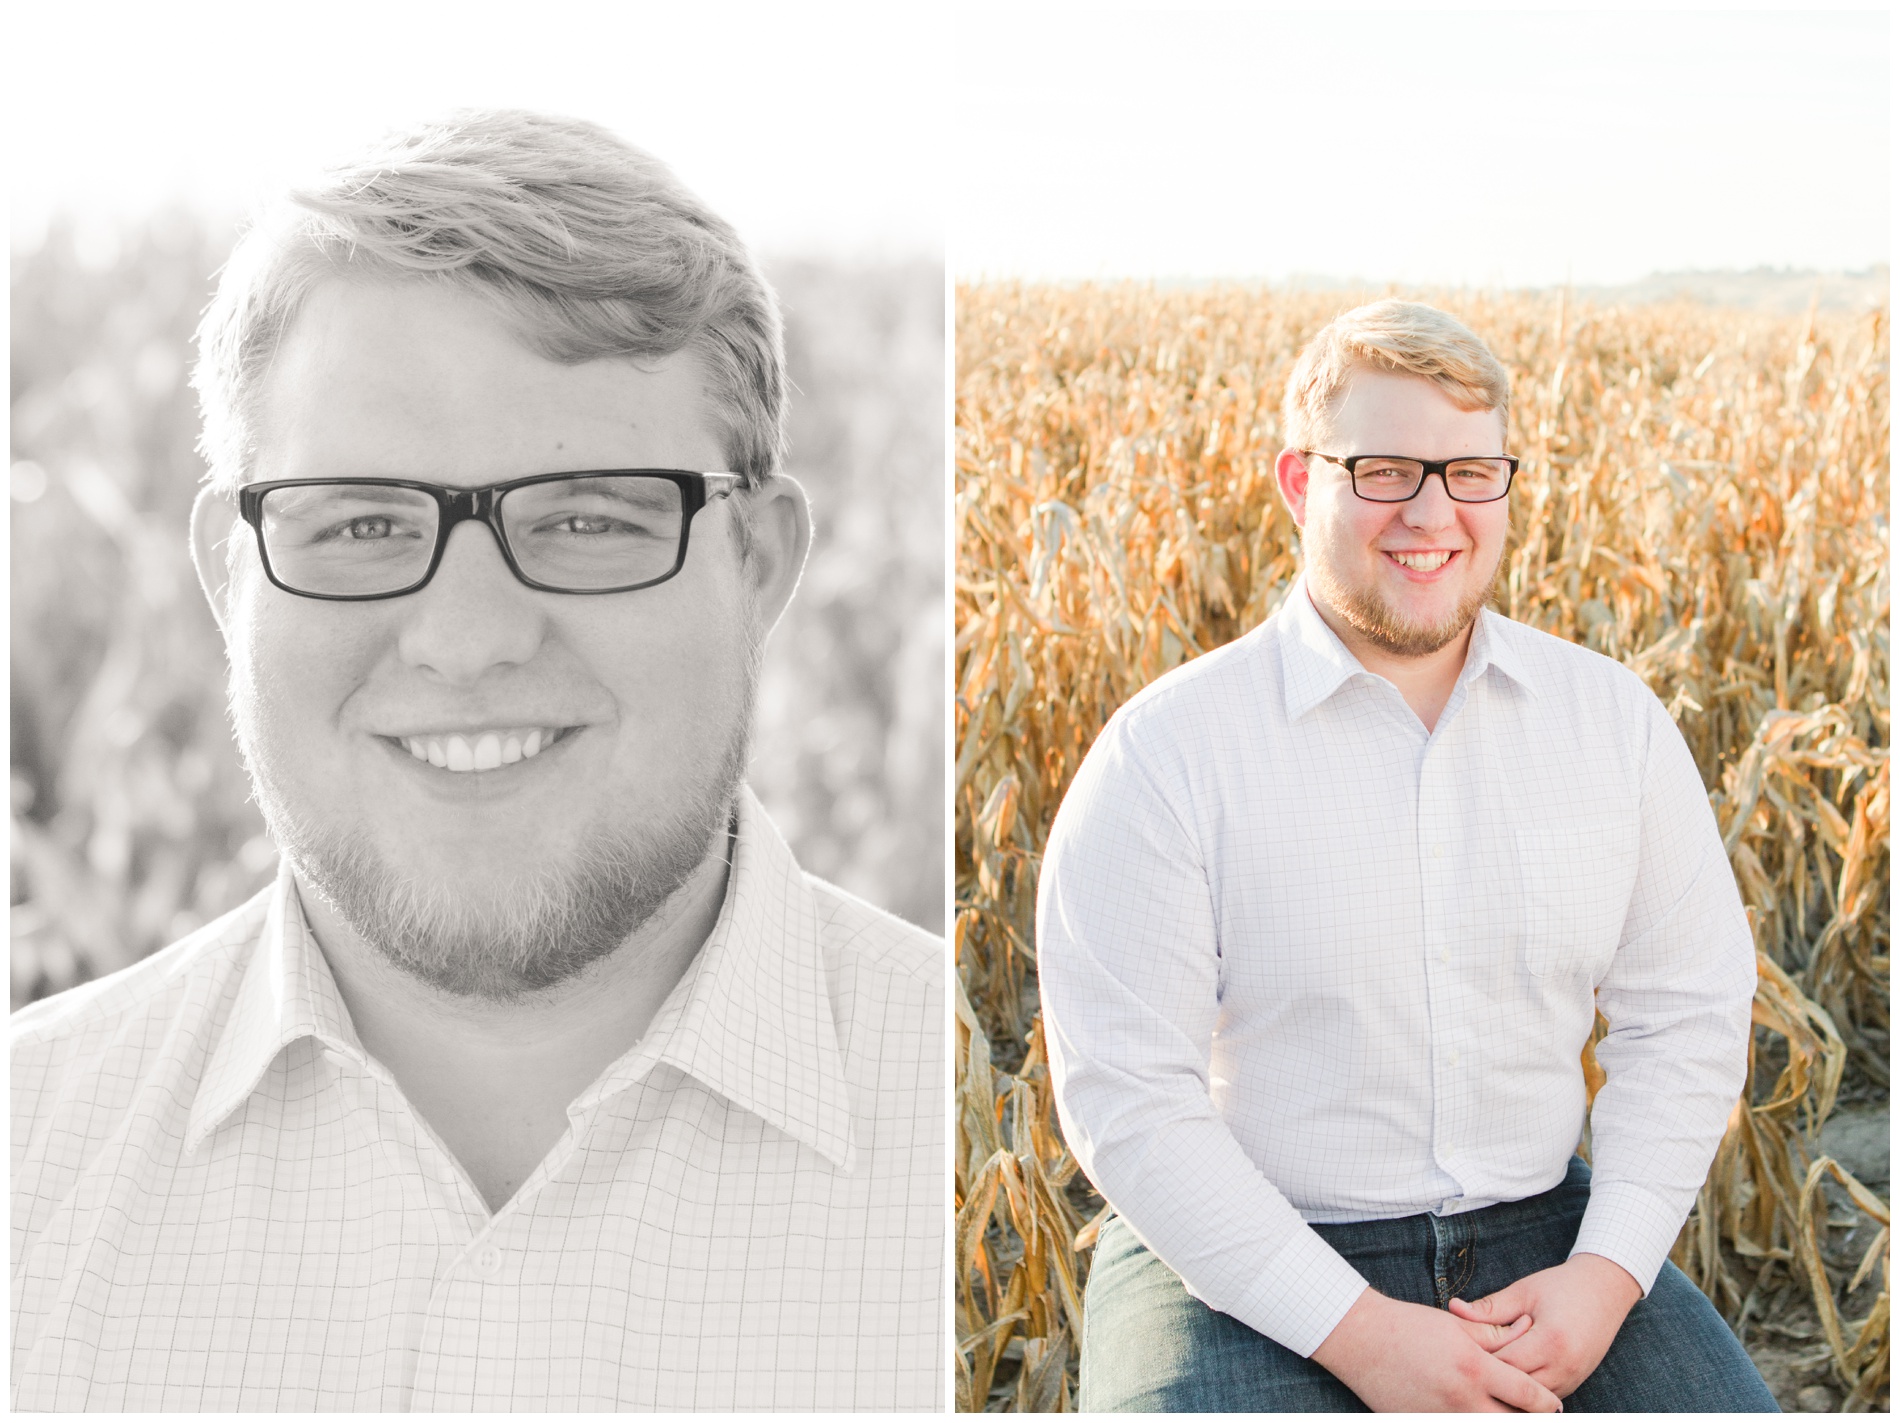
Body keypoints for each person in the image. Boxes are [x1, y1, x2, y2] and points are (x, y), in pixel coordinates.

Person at [11, 110, 942, 1412]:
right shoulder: (26, 1166)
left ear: (760, 563)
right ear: (232, 572)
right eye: (364, 521)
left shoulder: (1015, 1147)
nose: (466, 637)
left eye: (584, 516)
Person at [1036, 300, 1777, 1411]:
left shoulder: (1610, 726)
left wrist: (1606, 1274)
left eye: (1470, 472)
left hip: (1548, 1241)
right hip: (1252, 1249)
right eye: (1382, 469)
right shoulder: (1166, 755)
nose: (1431, 512)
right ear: (1298, 482)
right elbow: (1132, 1099)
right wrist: (1363, 1337)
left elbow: (1686, 1014)